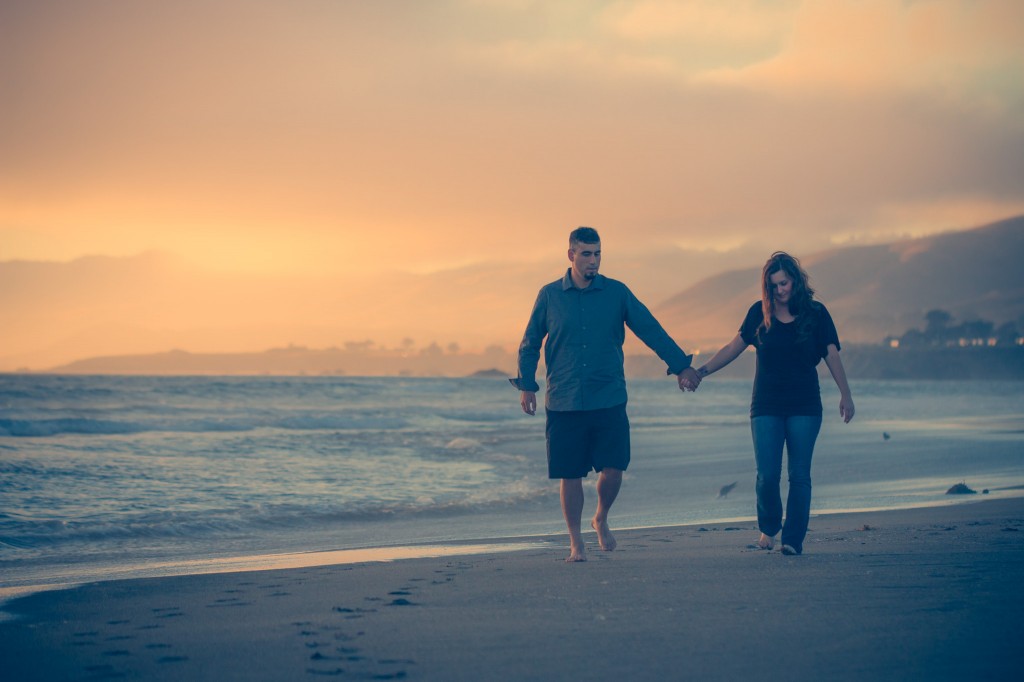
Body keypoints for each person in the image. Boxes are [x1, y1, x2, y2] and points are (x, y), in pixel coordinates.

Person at [511, 226, 701, 562]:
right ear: (571, 255)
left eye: (598, 254)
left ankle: (601, 517)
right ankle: (575, 541)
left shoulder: (617, 293)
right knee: (569, 474)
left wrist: (681, 365)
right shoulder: (549, 295)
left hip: (608, 396)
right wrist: (527, 385)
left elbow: (650, 329)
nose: (593, 261)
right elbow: (530, 343)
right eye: (586, 254)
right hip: (564, 399)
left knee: (613, 469)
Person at [691, 251, 854, 556]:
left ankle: (793, 540)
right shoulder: (758, 314)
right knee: (767, 475)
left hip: (805, 405)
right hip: (765, 405)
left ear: (795, 280)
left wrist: (845, 394)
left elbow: (832, 354)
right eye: (774, 285)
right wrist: (701, 372)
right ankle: (769, 526)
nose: (780, 290)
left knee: (799, 475)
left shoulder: (816, 314)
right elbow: (732, 347)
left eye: (785, 283)